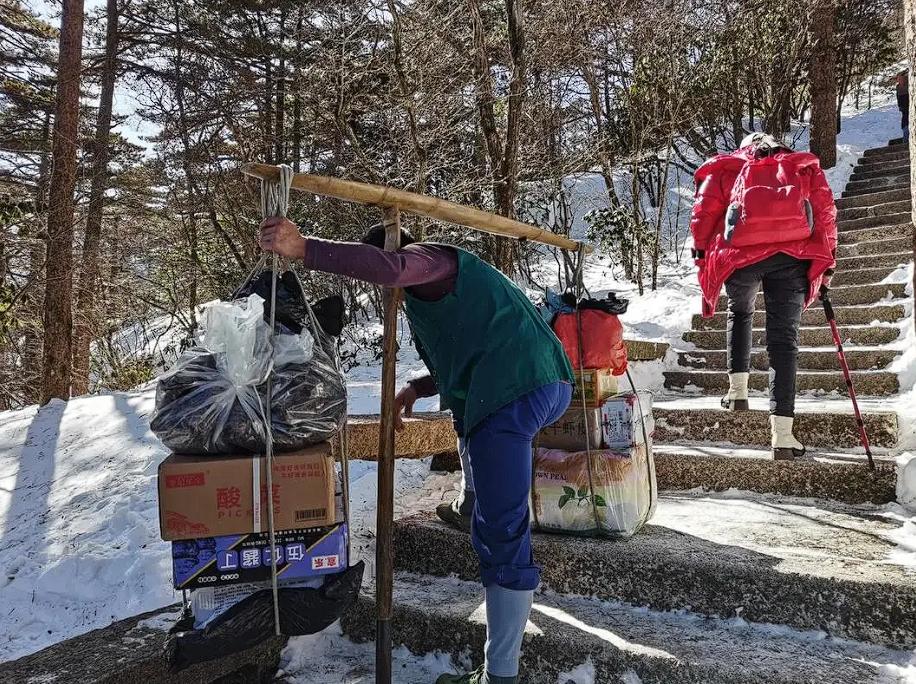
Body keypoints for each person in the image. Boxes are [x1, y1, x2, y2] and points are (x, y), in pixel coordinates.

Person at [259, 219, 574, 684]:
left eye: (380, 273)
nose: (385, 286)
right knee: (480, 474)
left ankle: (501, 674)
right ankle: (473, 504)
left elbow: (395, 267)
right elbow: (471, 346)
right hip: (512, 389)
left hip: (515, 392)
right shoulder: (433, 295)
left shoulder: (436, 261)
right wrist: (417, 387)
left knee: (502, 535)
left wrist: (305, 248)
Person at [689, 132, 837, 459]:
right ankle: (782, 435)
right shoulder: (799, 165)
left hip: (739, 258)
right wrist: (828, 260)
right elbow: (826, 213)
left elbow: (703, 213)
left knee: (740, 314)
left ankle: (737, 393)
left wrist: (702, 253)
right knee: (783, 342)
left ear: (746, 147)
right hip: (792, 257)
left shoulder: (729, 167)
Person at [897, 70, 909, 140]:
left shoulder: (908, 85)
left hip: (909, 106)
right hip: (903, 107)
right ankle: (906, 138)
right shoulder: (898, 87)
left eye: (900, 78)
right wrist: (899, 106)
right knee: (905, 121)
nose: (899, 80)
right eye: (898, 79)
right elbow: (898, 97)